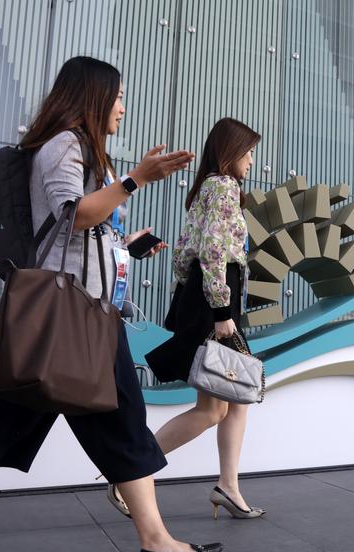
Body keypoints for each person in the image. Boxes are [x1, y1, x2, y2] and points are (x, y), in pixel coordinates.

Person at [0, 56, 221, 552]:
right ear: (93, 99)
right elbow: (71, 213)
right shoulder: (65, 143)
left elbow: (82, 233)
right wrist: (135, 180)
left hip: (84, 316)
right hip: (64, 320)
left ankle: (155, 539)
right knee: (0, 433)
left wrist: (127, 244)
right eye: (117, 99)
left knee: (114, 425)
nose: (123, 109)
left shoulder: (83, 151)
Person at [108, 118, 265, 521]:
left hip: (203, 296)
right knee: (215, 407)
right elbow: (214, 253)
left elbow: (183, 257)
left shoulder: (203, 191)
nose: (251, 161)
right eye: (248, 152)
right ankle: (132, 472)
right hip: (216, 301)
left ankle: (227, 486)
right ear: (231, 152)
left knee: (237, 395)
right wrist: (221, 314)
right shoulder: (225, 187)